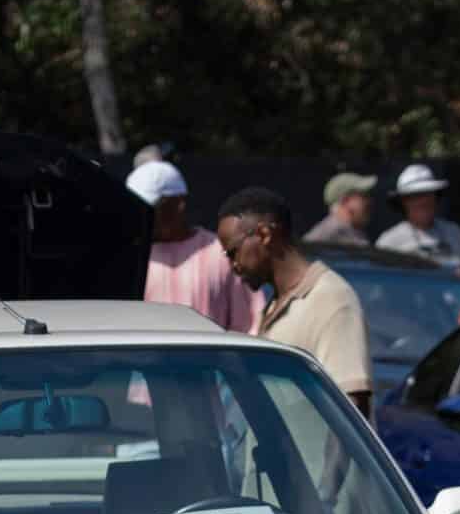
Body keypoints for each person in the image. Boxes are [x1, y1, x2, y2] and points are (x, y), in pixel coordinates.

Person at [215, 184, 372, 417]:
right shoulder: (274, 305)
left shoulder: (332, 299)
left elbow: (350, 409)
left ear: (264, 235)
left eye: (233, 252)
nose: (233, 266)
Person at [125, 158, 258, 332]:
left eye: (151, 208)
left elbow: (248, 324)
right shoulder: (128, 257)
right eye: (137, 207)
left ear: (179, 204)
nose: (143, 215)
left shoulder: (221, 252)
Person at [376, 163, 460, 276]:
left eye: (427, 194)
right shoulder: (389, 241)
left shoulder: (453, 231)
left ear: (435, 197)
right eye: (415, 196)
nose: (423, 201)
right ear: (404, 202)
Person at [303, 170, 376, 248]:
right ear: (345, 200)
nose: (370, 202)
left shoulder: (352, 231)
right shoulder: (329, 234)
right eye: (364, 196)